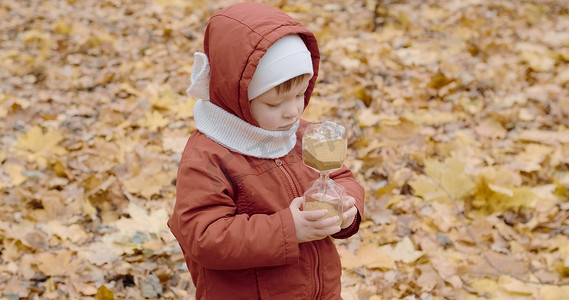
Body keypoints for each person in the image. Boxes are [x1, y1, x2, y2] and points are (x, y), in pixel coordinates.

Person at [168, 2, 365, 299]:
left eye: (301, 94)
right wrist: (288, 229)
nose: (293, 111)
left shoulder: (299, 135)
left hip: (318, 290)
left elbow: (340, 176)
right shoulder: (209, 157)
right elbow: (203, 237)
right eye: (275, 103)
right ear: (237, 96)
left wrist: (347, 206)